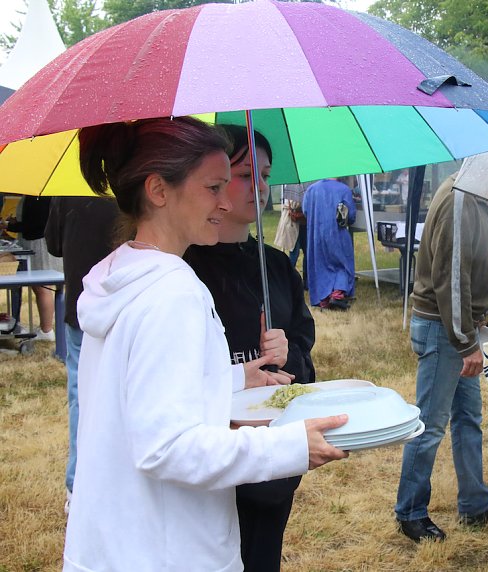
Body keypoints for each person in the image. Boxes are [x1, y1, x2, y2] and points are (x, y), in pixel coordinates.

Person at [63, 116, 348, 572]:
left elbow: (134, 398)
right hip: (170, 550)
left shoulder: (122, 273)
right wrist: (291, 447)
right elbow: (166, 447)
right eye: (214, 187)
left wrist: (231, 378)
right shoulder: (172, 292)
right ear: (159, 190)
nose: (226, 201)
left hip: (121, 541)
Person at [184, 125, 316, 571]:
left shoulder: (276, 268)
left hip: (272, 458)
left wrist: (287, 354)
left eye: (265, 175)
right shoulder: (182, 271)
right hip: (212, 460)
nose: (259, 186)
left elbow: (305, 364)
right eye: (244, 174)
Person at [395, 174, 488, 543]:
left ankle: (475, 504)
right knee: (430, 425)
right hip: (444, 329)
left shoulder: (473, 194)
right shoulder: (460, 198)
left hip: (454, 327)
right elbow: (451, 276)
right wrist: (465, 342)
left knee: (468, 419)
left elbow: (468, 270)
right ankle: (410, 512)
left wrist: (475, 323)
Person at [45, 195, 120, 514]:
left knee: (80, 395)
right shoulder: (132, 187)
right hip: (119, 307)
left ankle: (77, 486)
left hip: (81, 308)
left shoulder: (66, 191)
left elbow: (53, 245)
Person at [2, 195, 63, 340]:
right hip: (35, 241)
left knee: (43, 287)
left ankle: (47, 330)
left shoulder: (40, 198)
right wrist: (14, 223)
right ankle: (45, 327)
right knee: (40, 288)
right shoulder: (33, 196)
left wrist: (10, 226)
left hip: (39, 244)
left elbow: (36, 224)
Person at [302, 178, 356, 309]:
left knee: (320, 265)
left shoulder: (311, 190)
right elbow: (351, 216)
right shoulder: (344, 190)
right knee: (342, 264)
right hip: (337, 233)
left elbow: (305, 211)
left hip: (316, 234)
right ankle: (337, 293)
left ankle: (323, 298)